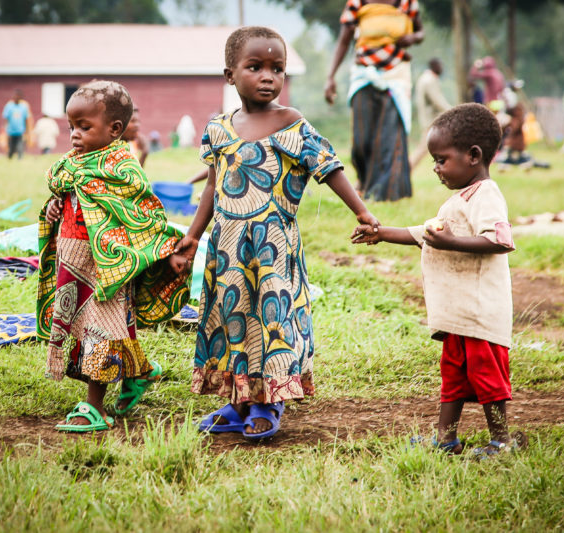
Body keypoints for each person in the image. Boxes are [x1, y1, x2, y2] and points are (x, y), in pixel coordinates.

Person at [173, 26, 380, 440]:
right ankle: (237, 402)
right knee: (230, 318)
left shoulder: (292, 124)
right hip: (227, 247)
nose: (268, 76)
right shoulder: (218, 128)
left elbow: (329, 167)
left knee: (271, 321)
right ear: (230, 74)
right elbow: (214, 184)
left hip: (272, 249)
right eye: (255, 67)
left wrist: (361, 211)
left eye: (277, 69)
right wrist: (194, 236)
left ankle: (269, 402)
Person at [352, 103, 521, 458]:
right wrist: (381, 233)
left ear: (473, 156)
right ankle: (446, 440)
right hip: (459, 318)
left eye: (442, 159)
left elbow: (501, 240)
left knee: (488, 379)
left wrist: (452, 242)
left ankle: (502, 441)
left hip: (480, 316)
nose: (436, 168)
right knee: (454, 378)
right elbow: (423, 233)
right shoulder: (459, 200)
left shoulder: (486, 195)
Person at [36, 80, 191, 432]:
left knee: (101, 329)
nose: (75, 134)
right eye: (72, 126)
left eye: (84, 127)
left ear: (114, 129)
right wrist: (55, 207)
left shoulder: (122, 168)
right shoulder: (72, 164)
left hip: (109, 268)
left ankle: (95, 407)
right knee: (102, 324)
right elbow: (71, 198)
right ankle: (141, 372)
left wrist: (164, 252)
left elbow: (143, 215)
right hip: (75, 262)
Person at [325, 0, 424, 201]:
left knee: (389, 136)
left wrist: (413, 37)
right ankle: (364, 180)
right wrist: (331, 76)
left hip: (396, 75)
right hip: (364, 74)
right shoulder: (357, 3)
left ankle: (383, 195)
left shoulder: (407, 3)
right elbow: (344, 40)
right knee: (361, 141)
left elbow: (420, 32)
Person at [410, 58, 451, 170]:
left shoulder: (427, 78)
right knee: (423, 148)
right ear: (435, 66)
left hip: (431, 120)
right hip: (431, 121)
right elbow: (437, 100)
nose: (442, 68)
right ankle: (406, 169)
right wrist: (452, 111)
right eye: (440, 66)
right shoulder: (429, 80)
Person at [2, 89, 30, 159]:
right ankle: (9, 158)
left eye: (18, 96)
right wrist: (4, 129)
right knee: (11, 147)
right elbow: (5, 119)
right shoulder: (9, 106)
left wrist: (27, 130)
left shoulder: (23, 107)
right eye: (15, 96)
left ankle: (20, 160)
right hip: (11, 131)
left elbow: (26, 119)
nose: (16, 98)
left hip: (20, 131)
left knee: (20, 147)